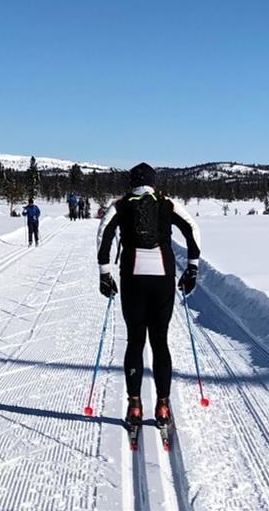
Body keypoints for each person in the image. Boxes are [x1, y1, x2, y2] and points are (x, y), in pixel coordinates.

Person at [96, 162, 201, 433]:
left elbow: (104, 235)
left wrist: (104, 273)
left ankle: (134, 405)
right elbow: (192, 229)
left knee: (135, 341)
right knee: (159, 341)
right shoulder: (167, 203)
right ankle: (163, 406)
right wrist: (192, 268)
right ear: (154, 183)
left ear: (132, 183)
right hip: (162, 278)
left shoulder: (121, 205)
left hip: (133, 277)